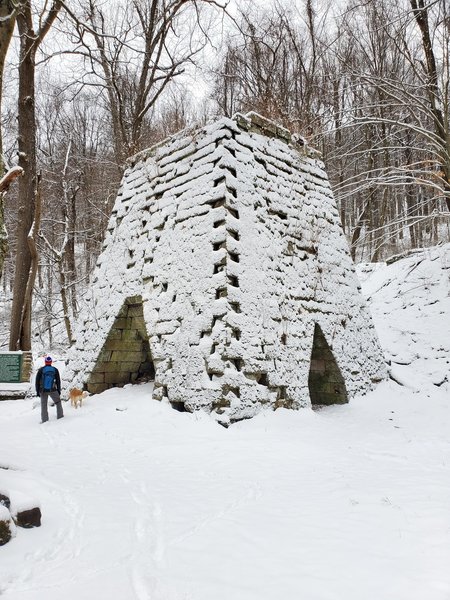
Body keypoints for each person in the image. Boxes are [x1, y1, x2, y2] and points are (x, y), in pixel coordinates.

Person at [35, 356, 63, 423]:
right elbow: (58, 381)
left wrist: (37, 391)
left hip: (43, 390)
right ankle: (60, 417)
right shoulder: (55, 370)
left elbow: (37, 381)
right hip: (53, 389)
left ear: (45, 362)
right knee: (58, 402)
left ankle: (45, 420)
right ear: (51, 362)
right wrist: (58, 390)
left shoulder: (41, 370)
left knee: (44, 405)